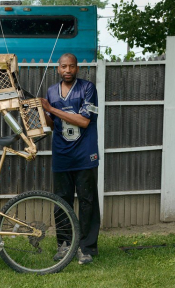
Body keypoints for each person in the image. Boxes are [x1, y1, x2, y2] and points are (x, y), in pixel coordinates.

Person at [41, 53, 100, 265]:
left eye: (72, 66)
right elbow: (52, 124)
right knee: (61, 202)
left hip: (85, 154)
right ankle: (64, 245)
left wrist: (51, 109)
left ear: (77, 68)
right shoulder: (51, 91)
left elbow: (84, 121)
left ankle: (86, 247)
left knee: (87, 201)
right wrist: (43, 113)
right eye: (64, 66)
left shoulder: (88, 88)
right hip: (62, 154)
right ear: (58, 69)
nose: (68, 70)